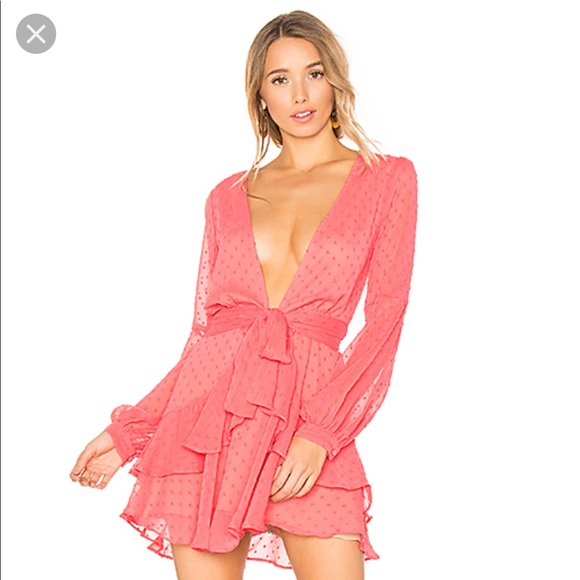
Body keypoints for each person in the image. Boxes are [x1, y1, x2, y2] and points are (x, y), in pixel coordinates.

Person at [70, 10, 418, 580]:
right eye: (280, 79)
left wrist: (321, 434)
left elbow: (386, 317)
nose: (300, 94)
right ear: (260, 94)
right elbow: (206, 340)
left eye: (314, 73)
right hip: (207, 430)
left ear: (335, 80)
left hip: (309, 418)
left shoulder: (386, 178)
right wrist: (131, 431)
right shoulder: (226, 196)